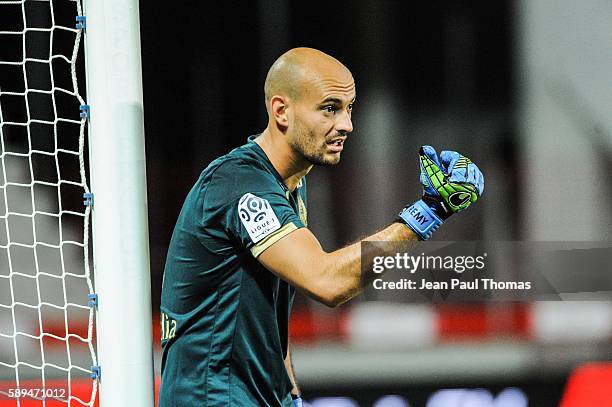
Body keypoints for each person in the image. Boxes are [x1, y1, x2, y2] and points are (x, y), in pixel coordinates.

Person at [158, 47, 484, 406]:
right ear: (282, 111)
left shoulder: (289, 182)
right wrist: (427, 213)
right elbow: (327, 281)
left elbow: (269, 317)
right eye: (330, 108)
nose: (347, 124)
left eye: (349, 107)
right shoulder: (241, 184)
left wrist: (291, 394)